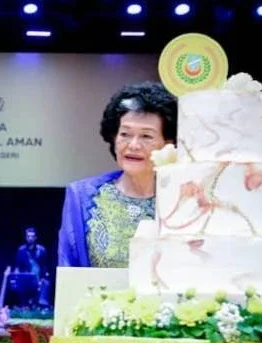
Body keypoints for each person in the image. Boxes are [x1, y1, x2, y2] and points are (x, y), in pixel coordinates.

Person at [58, 81, 178, 268]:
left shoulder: (184, 197)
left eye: (146, 136)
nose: (133, 145)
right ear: (113, 137)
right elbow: (68, 271)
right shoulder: (81, 197)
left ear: (168, 143)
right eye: (125, 134)